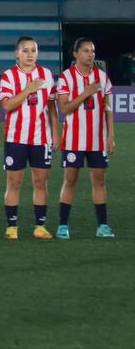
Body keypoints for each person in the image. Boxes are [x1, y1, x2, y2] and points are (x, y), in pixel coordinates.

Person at [0, 36, 59, 240]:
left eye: (33, 50)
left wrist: (56, 133)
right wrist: (28, 90)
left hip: (41, 138)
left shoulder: (46, 75)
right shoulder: (9, 76)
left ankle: (40, 226)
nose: (30, 54)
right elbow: (7, 105)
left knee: (41, 182)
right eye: (25, 50)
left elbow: (51, 105)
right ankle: (12, 226)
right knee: (14, 182)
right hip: (15, 138)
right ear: (17, 53)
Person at [56, 38, 116, 238]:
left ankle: (103, 226)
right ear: (75, 54)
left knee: (99, 181)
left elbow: (108, 108)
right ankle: (63, 226)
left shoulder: (102, 77)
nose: (91, 55)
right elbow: (64, 108)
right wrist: (86, 93)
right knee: (70, 180)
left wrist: (111, 136)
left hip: (97, 140)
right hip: (74, 140)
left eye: (93, 51)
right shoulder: (66, 78)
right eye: (86, 51)